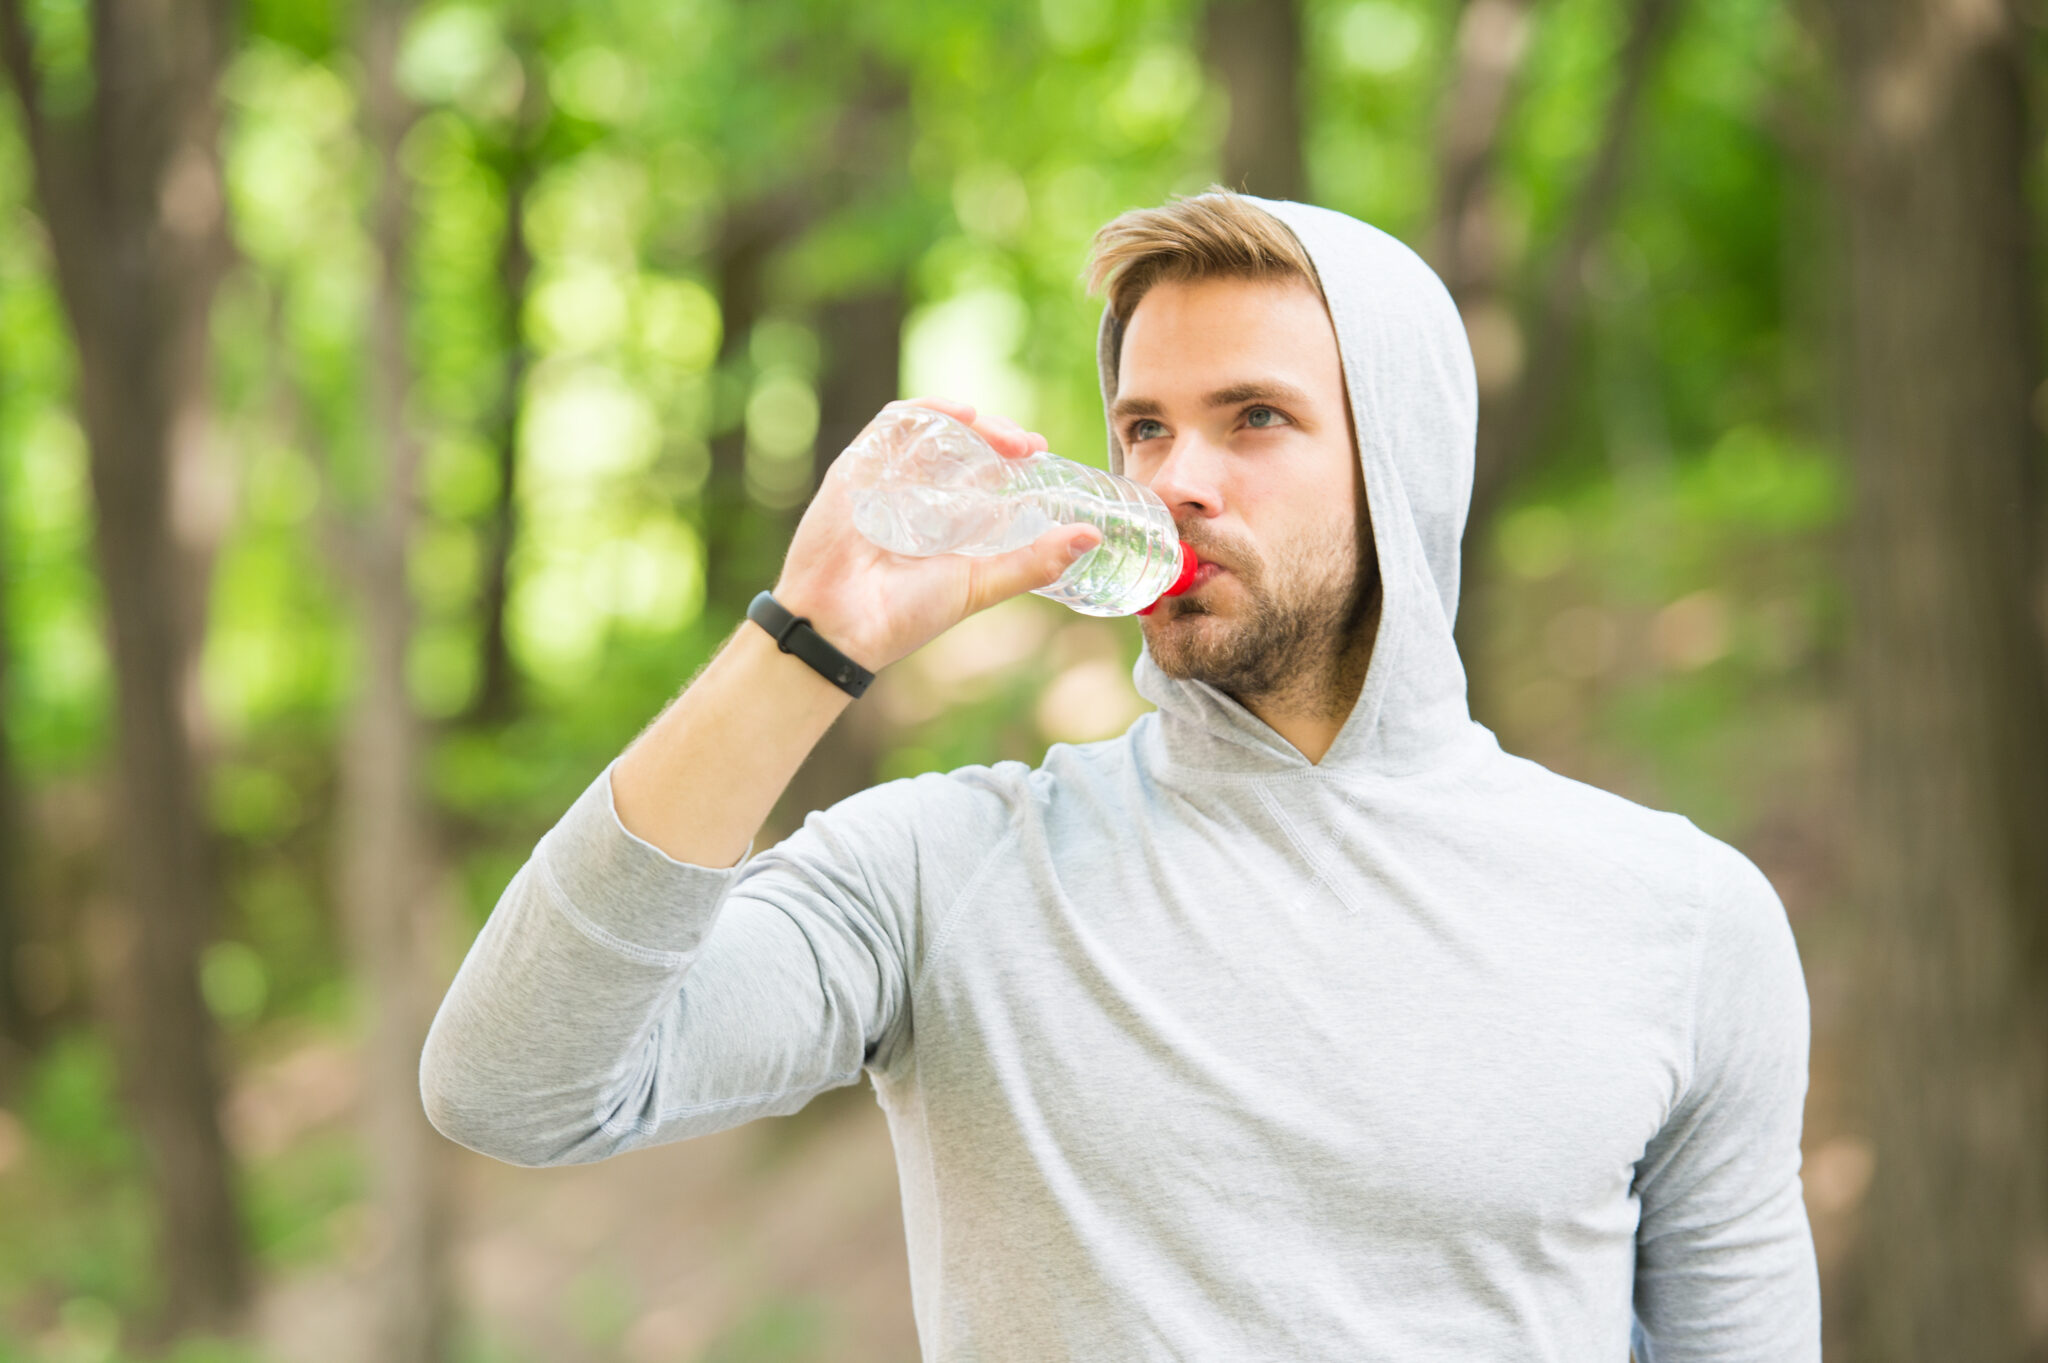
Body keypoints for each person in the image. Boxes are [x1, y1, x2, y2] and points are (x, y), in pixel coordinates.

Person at [421, 190, 1822, 1361]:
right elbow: (514, 1088)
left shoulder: (1684, 915)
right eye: (1145, 427)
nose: (1175, 477)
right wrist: (804, 644)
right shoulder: (947, 871)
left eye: (1255, 418)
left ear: (1400, 468)